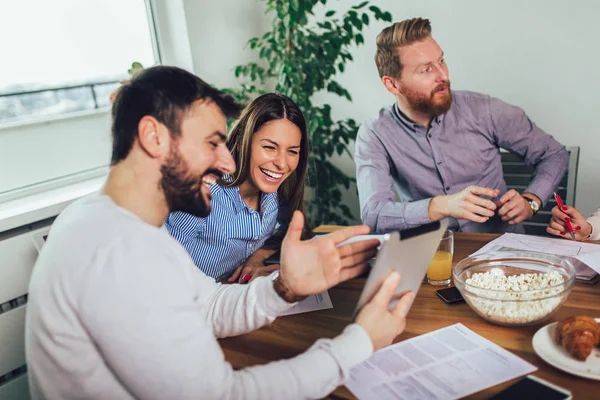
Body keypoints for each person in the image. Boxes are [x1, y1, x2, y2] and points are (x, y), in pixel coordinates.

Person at [25, 66, 415, 400]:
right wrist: (359, 343)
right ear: (153, 137)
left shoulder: (131, 229)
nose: (228, 159)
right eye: (212, 143)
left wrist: (286, 288)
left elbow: (208, 304)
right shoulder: (117, 249)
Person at [355, 17, 569, 234]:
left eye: (441, 61)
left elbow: (554, 154)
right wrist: (441, 206)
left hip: (500, 251)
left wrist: (531, 201)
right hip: (431, 254)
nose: (443, 75)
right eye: (426, 69)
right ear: (392, 84)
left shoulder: (484, 110)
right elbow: (374, 214)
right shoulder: (375, 134)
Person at [165, 93, 310, 283]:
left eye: (292, 151)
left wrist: (257, 257)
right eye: (269, 147)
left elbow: (293, 229)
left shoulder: (276, 193)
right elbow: (163, 272)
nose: (282, 164)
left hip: (232, 300)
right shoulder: (202, 192)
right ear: (244, 139)